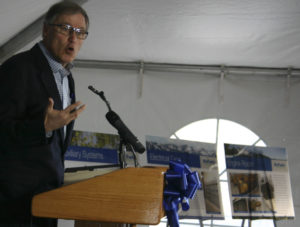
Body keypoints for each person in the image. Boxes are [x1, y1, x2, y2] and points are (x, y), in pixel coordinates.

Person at [0, 1, 89, 226]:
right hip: (12, 206)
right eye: (65, 29)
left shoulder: (67, 78)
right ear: (45, 29)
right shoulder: (19, 68)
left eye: (80, 32)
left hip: (45, 202)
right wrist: (42, 127)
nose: (73, 38)